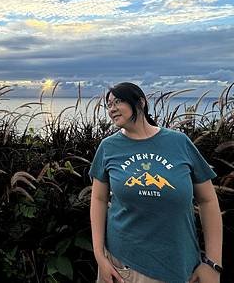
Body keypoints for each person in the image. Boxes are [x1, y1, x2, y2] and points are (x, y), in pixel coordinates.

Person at [89, 82, 223, 283]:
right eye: (108, 104)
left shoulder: (179, 142)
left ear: (140, 103)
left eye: (118, 101)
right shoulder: (108, 147)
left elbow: (208, 200)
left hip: (178, 264)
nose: (112, 109)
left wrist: (213, 264)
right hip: (122, 266)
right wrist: (99, 256)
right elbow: (99, 199)